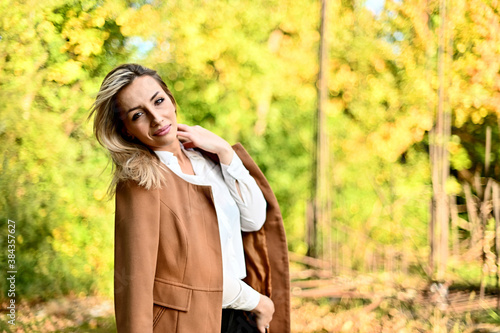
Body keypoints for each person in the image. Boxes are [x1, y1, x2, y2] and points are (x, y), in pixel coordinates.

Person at [89, 63, 290, 333]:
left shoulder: (208, 160)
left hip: (241, 318)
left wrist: (224, 151)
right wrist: (258, 302)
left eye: (159, 102)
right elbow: (138, 280)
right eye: (138, 115)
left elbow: (254, 220)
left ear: (172, 101)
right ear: (126, 130)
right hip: (187, 322)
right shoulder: (140, 180)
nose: (157, 118)